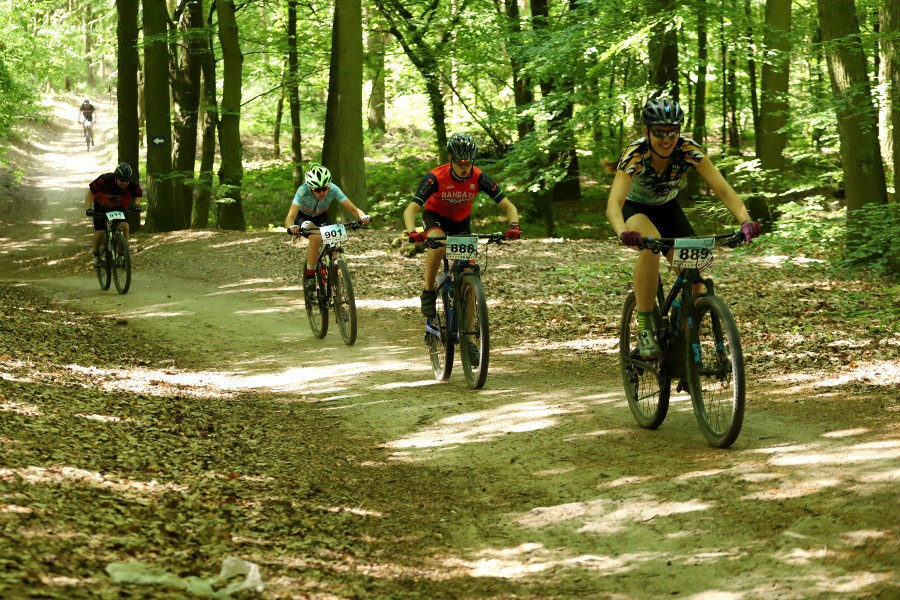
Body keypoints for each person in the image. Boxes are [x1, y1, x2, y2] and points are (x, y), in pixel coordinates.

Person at [605, 97, 761, 359]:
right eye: (659, 133)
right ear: (647, 132)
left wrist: (745, 220)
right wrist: (622, 231)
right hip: (635, 210)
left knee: (694, 279)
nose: (667, 139)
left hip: (669, 209)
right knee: (650, 244)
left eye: (673, 132)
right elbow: (614, 203)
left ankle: (680, 340)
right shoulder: (635, 154)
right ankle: (645, 327)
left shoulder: (688, 150)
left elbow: (723, 189)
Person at [403, 132, 521, 319]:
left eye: (469, 162)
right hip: (435, 217)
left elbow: (509, 206)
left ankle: (471, 336)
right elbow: (411, 209)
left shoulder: (480, 177)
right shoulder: (435, 178)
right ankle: (428, 292)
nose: (465, 167)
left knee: (469, 272)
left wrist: (514, 226)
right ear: (451, 160)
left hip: (461, 222)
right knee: (440, 247)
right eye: (460, 163)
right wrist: (412, 232)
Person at [284, 163, 370, 295]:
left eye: (325, 188)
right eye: (318, 190)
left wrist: (362, 216)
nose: (322, 192)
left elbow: (352, 209)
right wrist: (291, 226)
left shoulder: (334, 189)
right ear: (310, 187)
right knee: (316, 237)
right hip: (303, 217)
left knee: (334, 244)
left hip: (321, 216)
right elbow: (290, 216)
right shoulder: (302, 190)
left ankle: (337, 287)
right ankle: (311, 277)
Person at [85, 163, 142, 267]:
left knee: (124, 226)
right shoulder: (104, 179)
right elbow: (89, 192)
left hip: (116, 207)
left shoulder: (132, 184)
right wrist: (88, 208)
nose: (124, 183)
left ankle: (121, 255)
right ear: (116, 177)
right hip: (100, 205)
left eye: (126, 180)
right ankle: (96, 255)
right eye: (121, 180)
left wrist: (137, 205)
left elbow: (138, 194)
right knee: (101, 231)